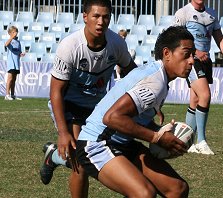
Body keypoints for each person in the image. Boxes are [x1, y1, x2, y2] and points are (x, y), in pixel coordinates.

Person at [76, 25, 195, 197]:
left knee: (177, 189)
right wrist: (157, 138)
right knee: (144, 194)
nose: (191, 60)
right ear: (167, 53)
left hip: (123, 143)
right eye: (186, 54)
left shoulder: (159, 76)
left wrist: (158, 130)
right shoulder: (155, 82)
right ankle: (59, 156)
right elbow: (112, 118)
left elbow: (133, 118)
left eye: (193, 54)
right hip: (96, 143)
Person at [39, 0, 137, 197]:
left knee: (88, 155)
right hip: (69, 105)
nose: (101, 21)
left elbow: (131, 72)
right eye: (96, 16)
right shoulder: (70, 46)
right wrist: (62, 132)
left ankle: (53, 156)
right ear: (85, 17)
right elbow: (56, 91)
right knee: (81, 163)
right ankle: (57, 154)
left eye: (106, 17)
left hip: (97, 108)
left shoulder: (117, 44)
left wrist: (149, 98)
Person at [173, 0, 223, 155]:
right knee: (205, 95)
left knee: (195, 100)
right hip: (191, 60)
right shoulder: (183, 13)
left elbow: (220, 39)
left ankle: (188, 142)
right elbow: (176, 39)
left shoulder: (212, 14)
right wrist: (195, 52)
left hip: (206, 61)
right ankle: (201, 141)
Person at [4, 26, 25, 101]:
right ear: (10, 33)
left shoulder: (18, 42)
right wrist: (11, 37)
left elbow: (19, 52)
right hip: (11, 63)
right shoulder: (9, 41)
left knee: (14, 79)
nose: (15, 33)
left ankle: (12, 95)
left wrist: (21, 54)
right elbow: (6, 44)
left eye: (16, 32)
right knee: (10, 78)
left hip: (17, 63)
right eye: (13, 32)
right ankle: (7, 95)